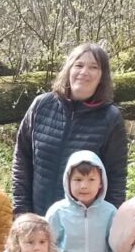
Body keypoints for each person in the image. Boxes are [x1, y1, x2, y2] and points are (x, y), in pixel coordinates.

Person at [12, 42, 128, 215]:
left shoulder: (110, 118)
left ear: (102, 76)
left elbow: (116, 178)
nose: (84, 72)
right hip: (37, 221)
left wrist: (107, 221)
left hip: (82, 225)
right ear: (69, 69)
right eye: (79, 65)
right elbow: (22, 161)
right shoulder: (41, 106)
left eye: (93, 67)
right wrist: (22, 212)